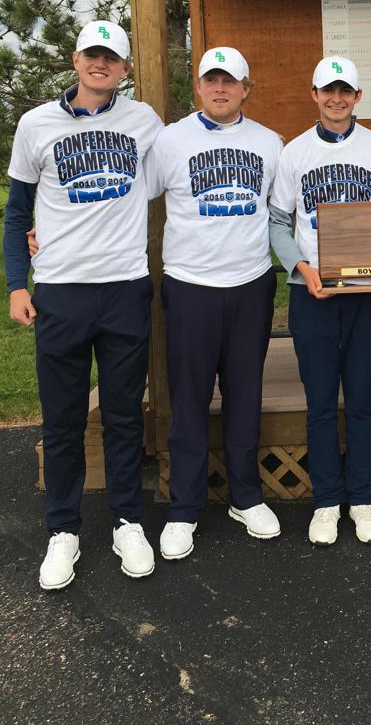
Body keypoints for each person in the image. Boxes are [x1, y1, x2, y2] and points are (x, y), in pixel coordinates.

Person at [4, 20, 163, 589]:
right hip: (61, 291)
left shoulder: (143, 121)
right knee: (64, 416)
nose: (102, 65)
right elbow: (18, 211)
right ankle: (63, 530)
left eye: (112, 58)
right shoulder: (35, 124)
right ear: (76, 59)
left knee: (123, 414)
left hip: (124, 286)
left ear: (124, 68)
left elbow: (166, 181)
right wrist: (17, 284)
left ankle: (126, 521)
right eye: (93, 55)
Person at [144, 47, 283, 560]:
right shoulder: (170, 140)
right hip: (190, 284)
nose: (220, 89)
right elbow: (132, 199)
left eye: (230, 81)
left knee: (245, 393)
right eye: (211, 80)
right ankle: (184, 506)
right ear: (199, 87)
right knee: (190, 398)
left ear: (246, 87)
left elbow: (284, 213)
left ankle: (246, 496)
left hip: (250, 283)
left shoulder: (270, 143)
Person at [269, 56, 371, 545]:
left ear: (358, 97)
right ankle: (326, 500)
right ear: (314, 94)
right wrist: (301, 267)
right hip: (313, 292)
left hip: (364, 293)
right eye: (328, 91)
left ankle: (362, 498)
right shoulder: (294, 152)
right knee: (321, 400)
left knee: (361, 398)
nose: (337, 99)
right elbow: (279, 221)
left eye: (346, 91)